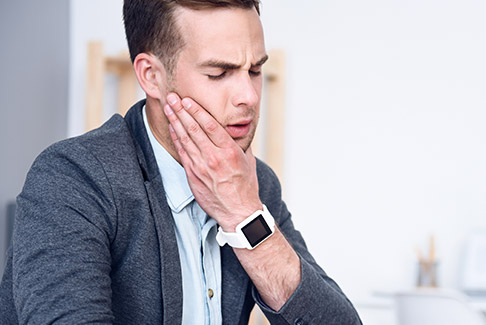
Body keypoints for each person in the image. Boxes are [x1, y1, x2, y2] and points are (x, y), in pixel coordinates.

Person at [0, 0, 362, 324]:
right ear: (151, 76)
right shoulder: (74, 178)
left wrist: (244, 216)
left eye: (255, 70)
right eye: (219, 73)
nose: (248, 97)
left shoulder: (252, 184)